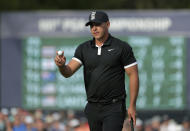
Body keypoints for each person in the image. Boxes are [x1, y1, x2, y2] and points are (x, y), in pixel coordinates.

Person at [54, 11, 139, 131]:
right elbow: (68, 72)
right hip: (92, 107)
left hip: (114, 106)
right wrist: (62, 66)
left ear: (108, 24)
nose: (94, 28)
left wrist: (132, 106)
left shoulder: (121, 47)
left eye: (98, 24)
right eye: (91, 25)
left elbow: (133, 74)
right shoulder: (84, 48)